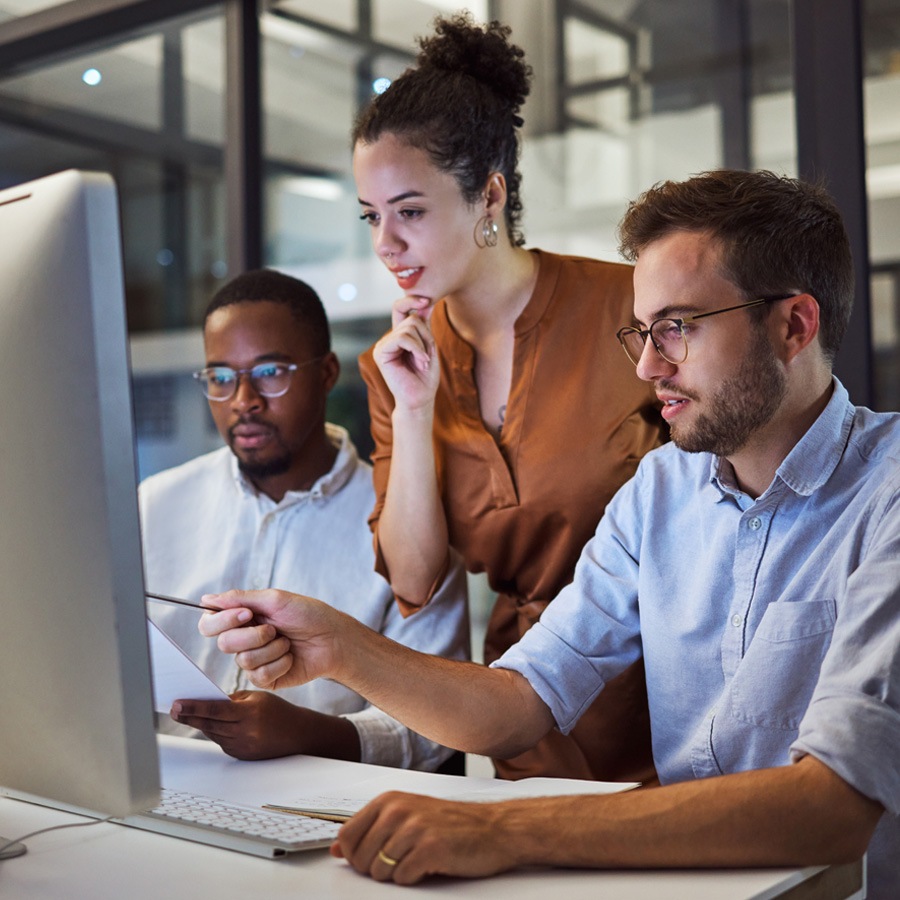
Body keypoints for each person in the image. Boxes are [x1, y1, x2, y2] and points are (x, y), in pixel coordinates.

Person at [198, 170, 899, 895]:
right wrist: (340, 646)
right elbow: (517, 702)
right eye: (643, 331)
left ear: (793, 326)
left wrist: (505, 831)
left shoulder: (890, 495)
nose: (649, 366)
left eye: (679, 328)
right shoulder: (659, 492)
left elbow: (832, 807)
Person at [354, 12, 666, 782]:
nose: (385, 245)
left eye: (411, 212)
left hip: (667, 698)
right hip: (521, 715)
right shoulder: (395, 367)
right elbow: (416, 581)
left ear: (488, 195)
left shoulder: (629, 306)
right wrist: (418, 406)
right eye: (371, 217)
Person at [141, 269, 469, 771]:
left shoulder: (406, 526)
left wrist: (309, 734)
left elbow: (438, 730)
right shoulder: (156, 505)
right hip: (163, 790)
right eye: (221, 378)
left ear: (327, 373)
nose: (243, 401)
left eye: (270, 372)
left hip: (324, 811)